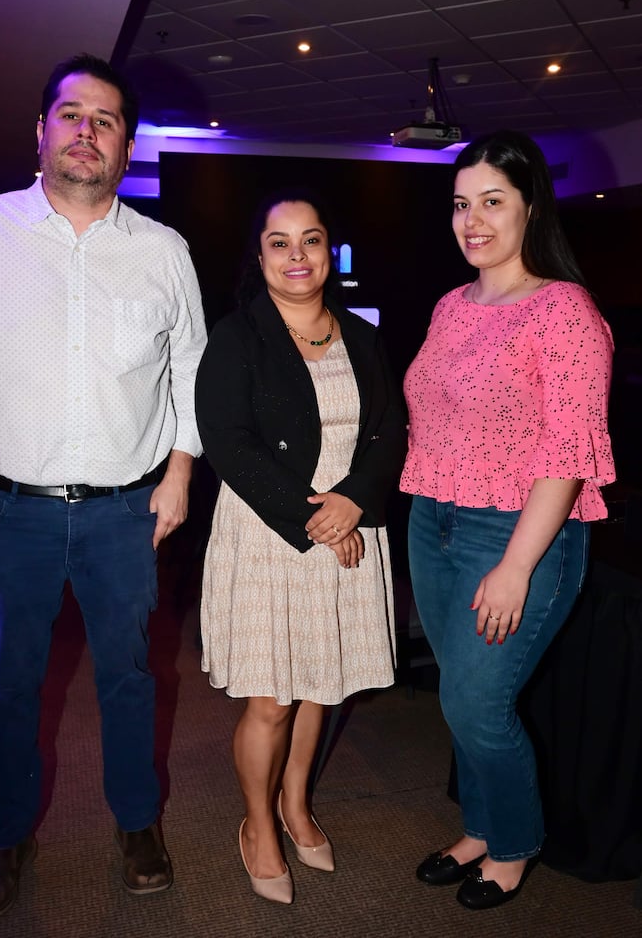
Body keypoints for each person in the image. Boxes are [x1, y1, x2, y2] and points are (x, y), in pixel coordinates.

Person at [0, 54, 206, 921]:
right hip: (6, 509)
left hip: (123, 511)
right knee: (10, 686)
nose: (86, 132)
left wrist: (180, 472)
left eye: (105, 120)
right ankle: (4, 837)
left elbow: (191, 369)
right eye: (71, 115)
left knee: (130, 677)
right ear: (39, 131)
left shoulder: (162, 250)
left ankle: (137, 823)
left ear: (126, 144)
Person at [400, 130, 615, 910]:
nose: (473, 220)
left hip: (518, 532)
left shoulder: (564, 311)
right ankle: (483, 827)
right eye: (462, 204)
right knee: (459, 691)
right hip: (436, 520)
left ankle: (517, 843)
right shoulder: (451, 306)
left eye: (493, 201)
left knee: (478, 703)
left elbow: (568, 454)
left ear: (530, 207)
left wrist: (517, 565)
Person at [195, 190, 405, 904]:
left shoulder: (362, 335)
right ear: (260, 257)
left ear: (329, 253)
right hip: (270, 530)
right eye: (279, 243)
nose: (296, 256)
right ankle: (257, 823)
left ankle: (295, 805)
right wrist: (318, 519)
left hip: (347, 522)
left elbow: (388, 433)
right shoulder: (236, 336)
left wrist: (353, 503)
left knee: (324, 680)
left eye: (311, 240)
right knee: (273, 700)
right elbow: (230, 444)